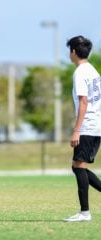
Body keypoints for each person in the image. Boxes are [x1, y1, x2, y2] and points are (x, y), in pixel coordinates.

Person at [63, 36, 101, 222]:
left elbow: (84, 102)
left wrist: (77, 130)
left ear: (74, 52)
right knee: (77, 166)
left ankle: (85, 212)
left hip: (87, 126)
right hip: (96, 125)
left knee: (78, 165)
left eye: (69, 50)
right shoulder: (93, 70)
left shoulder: (80, 72)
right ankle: (84, 211)